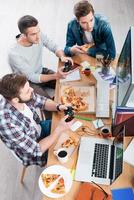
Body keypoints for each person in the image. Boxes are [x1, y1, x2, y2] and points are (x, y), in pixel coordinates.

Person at [0, 73, 73, 167]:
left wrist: (59, 106)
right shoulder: (7, 124)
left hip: (38, 128)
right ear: (15, 100)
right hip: (36, 149)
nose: (32, 90)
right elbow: (36, 150)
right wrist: (58, 130)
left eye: (29, 87)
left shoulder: (23, 95)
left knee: (72, 133)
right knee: (68, 159)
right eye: (28, 91)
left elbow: (42, 102)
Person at [8, 15, 73, 99]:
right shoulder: (14, 53)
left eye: (38, 31)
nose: (38, 37)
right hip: (27, 83)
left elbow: (53, 46)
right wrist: (56, 76)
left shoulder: (37, 35)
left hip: (40, 71)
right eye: (33, 34)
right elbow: (32, 77)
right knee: (50, 103)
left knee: (68, 85)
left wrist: (62, 56)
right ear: (23, 35)